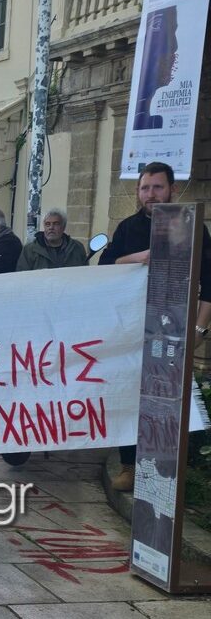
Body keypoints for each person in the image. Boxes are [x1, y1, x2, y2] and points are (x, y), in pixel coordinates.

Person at [99, 161, 211, 491]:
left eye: (157, 187)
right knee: (129, 395)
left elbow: (209, 280)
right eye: (144, 188)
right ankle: (129, 467)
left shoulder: (192, 227)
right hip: (132, 329)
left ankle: (164, 472)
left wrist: (199, 329)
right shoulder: (127, 228)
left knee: (166, 401)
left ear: (172, 189)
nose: (150, 194)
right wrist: (139, 257)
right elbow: (106, 266)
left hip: (173, 330)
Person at [17, 208, 88, 271]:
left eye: (56, 224)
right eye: (47, 224)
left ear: (63, 227)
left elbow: (84, 274)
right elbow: (21, 276)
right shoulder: (30, 250)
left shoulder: (77, 248)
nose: (51, 227)